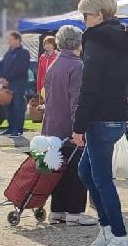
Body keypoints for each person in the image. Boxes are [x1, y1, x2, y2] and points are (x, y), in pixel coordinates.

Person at [72, 0, 128, 246]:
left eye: (86, 15)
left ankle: (119, 236)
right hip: (115, 115)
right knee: (86, 171)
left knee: (100, 178)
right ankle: (107, 228)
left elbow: (89, 87)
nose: (83, 20)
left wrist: (78, 125)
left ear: (99, 15)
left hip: (100, 116)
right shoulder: (123, 40)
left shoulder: (97, 42)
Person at [41, 25, 96, 226]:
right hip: (69, 127)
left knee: (59, 169)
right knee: (77, 169)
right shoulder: (77, 66)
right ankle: (74, 212)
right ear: (79, 43)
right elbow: (77, 101)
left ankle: (57, 210)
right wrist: (79, 129)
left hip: (52, 126)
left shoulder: (53, 64)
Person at [0, 31, 32, 138]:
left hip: (18, 85)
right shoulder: (8, 53)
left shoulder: (24, 53)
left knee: (18, 107)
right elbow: (2, 65)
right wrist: (2, 78)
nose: (8, 41)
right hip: (7, 85)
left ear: (17, 40)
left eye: (10, 39)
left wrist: (8, 78)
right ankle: (10, 128)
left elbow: (21, 69)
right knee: (9, 107)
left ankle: (18, 130)